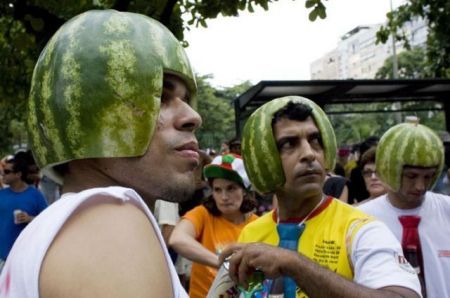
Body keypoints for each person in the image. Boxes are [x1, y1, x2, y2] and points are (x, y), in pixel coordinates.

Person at [0, 10, 201, 298]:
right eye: (160, 96)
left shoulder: (59, 227)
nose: (193, 116)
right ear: (87, 113)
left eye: (185, 98)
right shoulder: (110, 219)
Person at [210, 96, 420, 298]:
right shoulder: (252, 233)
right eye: (289, 144)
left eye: (315, 140)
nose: (309, 153)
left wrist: (294, 264)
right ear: (266, 161)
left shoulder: (360, 230)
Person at [358, 120, 450, 297]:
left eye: (428, 177)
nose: (420, 186)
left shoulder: (447, 209)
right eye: (411, 176)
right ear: (389, 169)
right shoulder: (361, 219)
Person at [169, 153, 258, 298]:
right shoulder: (202, 214)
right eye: (217, 189)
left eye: (231, 188)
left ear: (244, 191)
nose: (224, 197)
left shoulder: (257, 224)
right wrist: (224, 264)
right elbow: (177, 239)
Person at [0, 155, 48, 273]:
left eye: (6, 172)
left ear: (18, 174)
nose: (2, 174)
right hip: (2, 256)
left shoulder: (35, 195)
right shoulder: (2, 194)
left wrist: (30, 218)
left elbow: (47, 221)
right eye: (2, 171)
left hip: (24, 258)